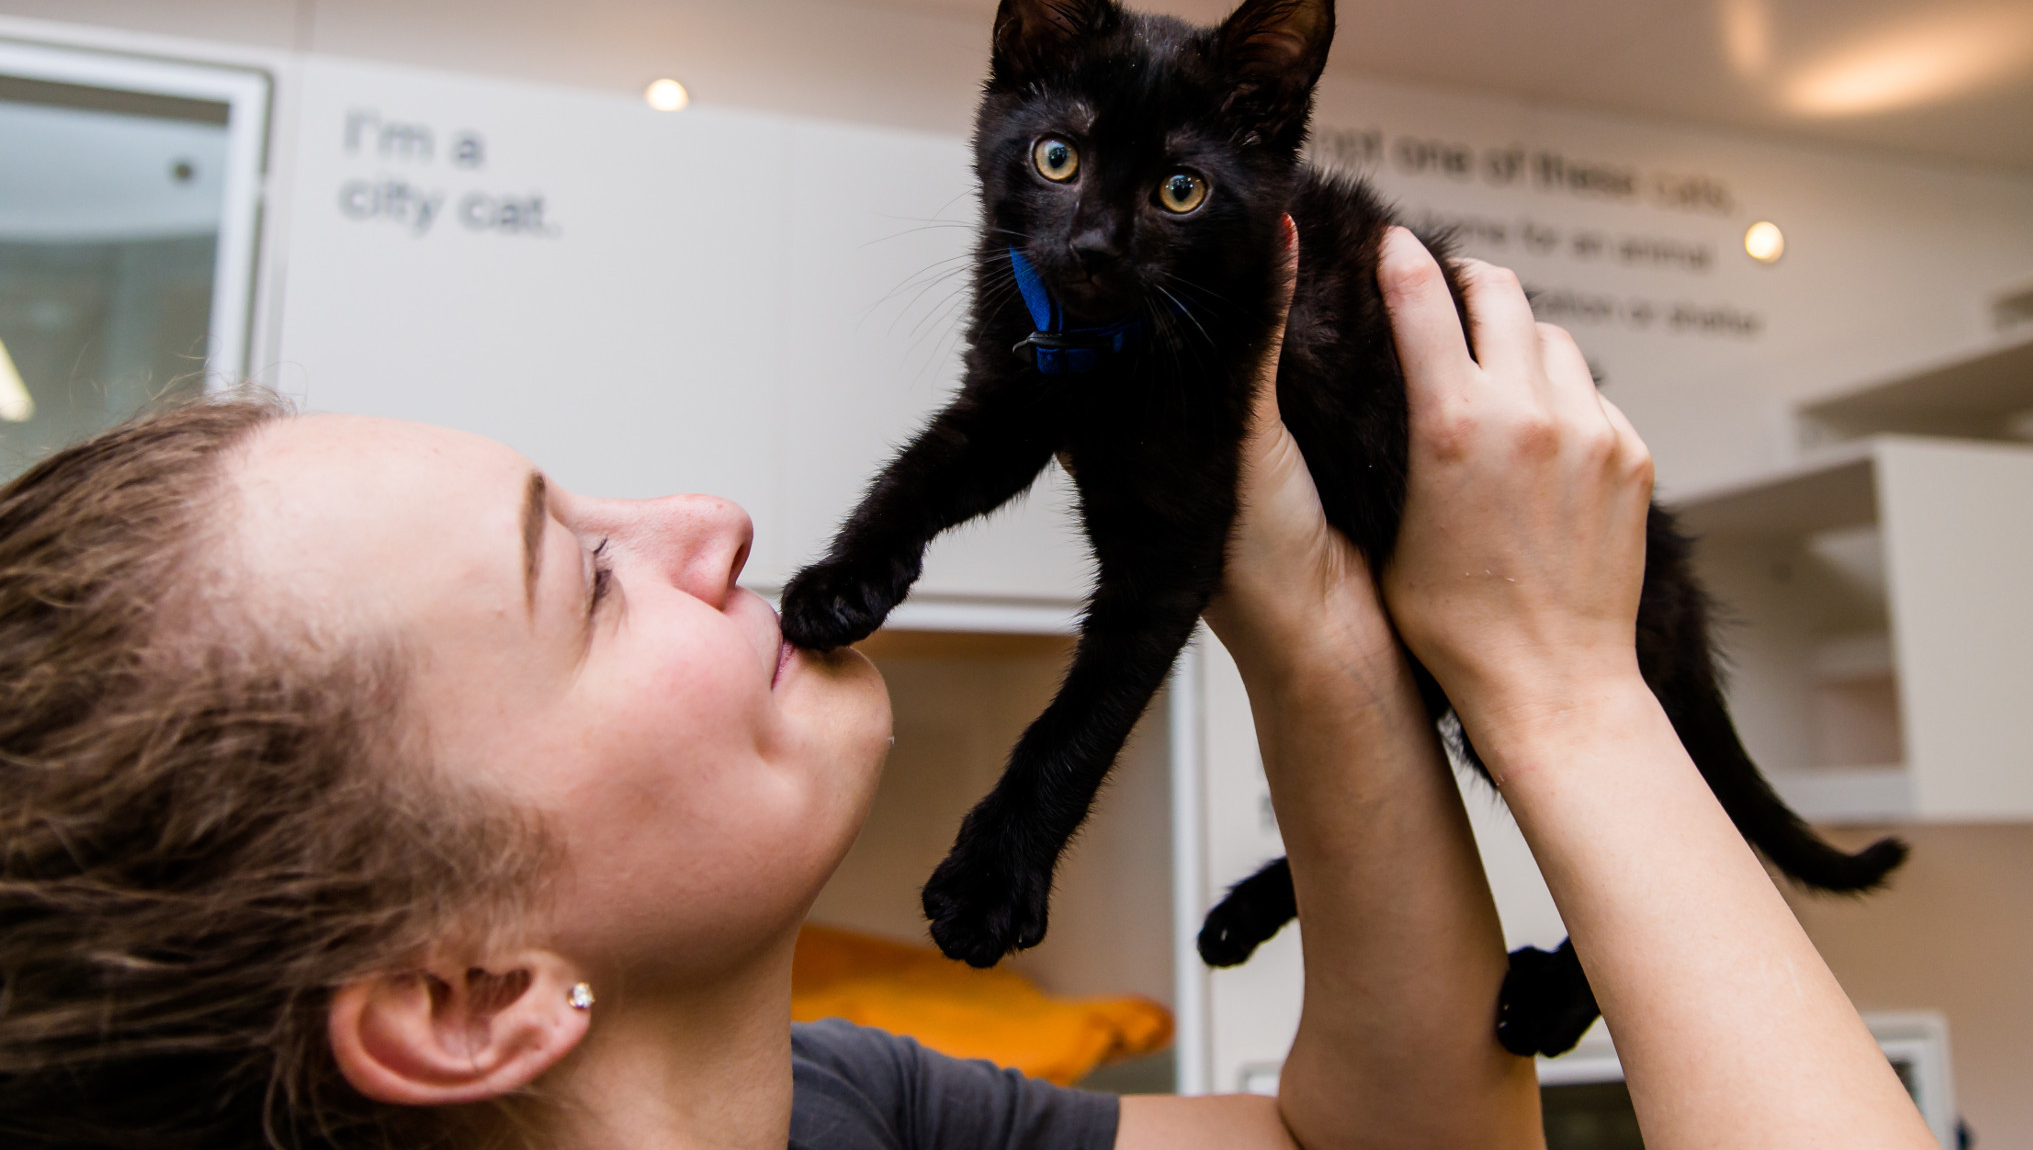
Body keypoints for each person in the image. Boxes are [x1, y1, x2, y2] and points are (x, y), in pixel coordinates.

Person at [0, 228, 1933, 1150]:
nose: (713, 518)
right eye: (584, 577)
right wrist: (1568, 686)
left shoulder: (823, 1110)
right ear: (463, 993)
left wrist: (1303, 610)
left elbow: (1386, 1145)